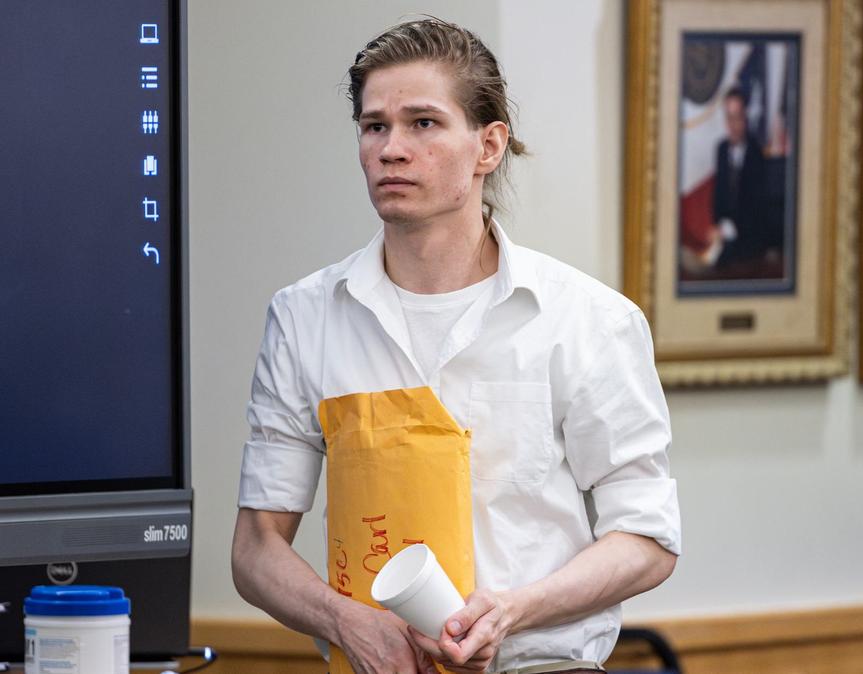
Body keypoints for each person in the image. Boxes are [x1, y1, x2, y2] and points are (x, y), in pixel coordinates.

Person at [230, 18, 681, 674]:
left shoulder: (588, 321)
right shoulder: (304, 318)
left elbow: (648, 538)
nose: (391, 148)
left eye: (424, 123)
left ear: (489, 146)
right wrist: (345, 620)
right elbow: (254, 548)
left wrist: (513, 610)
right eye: (374, 125)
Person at [711, 87, 777, 272]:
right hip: (725, 238)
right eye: (728, 117)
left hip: (749, 243)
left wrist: (731, 229)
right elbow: (719, 196)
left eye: (737, 117)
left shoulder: (756, 154)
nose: (732, 124)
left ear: (746, 117)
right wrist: (717, 225)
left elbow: (757, 209)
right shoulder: (722, 149)